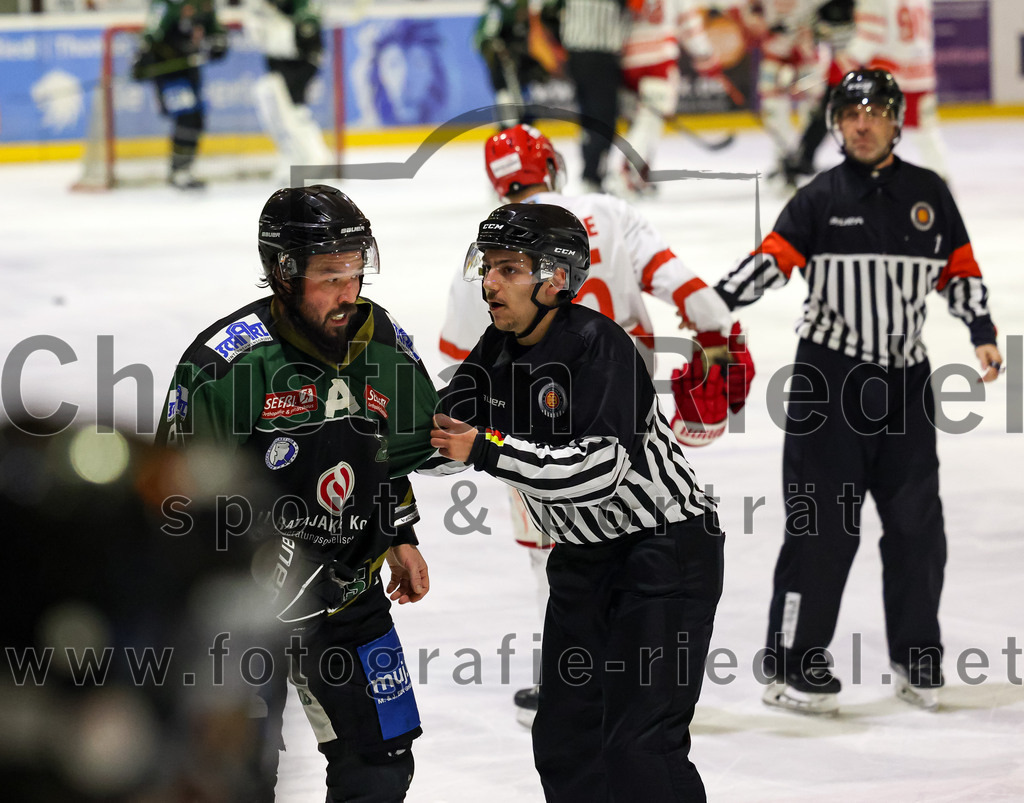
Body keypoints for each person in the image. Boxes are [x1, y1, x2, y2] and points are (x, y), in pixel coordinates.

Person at [438, 122, 754, 725]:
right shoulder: (607, 211)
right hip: (630, 398)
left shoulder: (484, 258)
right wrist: (720, 341)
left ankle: (575, 675)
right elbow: (690, 291)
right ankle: (626, 667)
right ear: (552, 167)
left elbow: (456, 367)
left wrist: (456, 439)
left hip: (527, 415)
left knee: (548, 543)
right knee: (637, 510)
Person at [714, 69, 1003, 715]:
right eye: (851, 114)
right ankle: (794, 662)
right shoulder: (819, 195)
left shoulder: (930, 194)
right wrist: (712, 301)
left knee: (916, 526)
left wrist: (980, 328)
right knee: (823, 527)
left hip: (904, 385)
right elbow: (772, 260)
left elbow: (960, 270)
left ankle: (916, 653)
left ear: (897, 120)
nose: (863, 123)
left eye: (875, 112)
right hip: (830, 382)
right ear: (836, 124)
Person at [429, 202, 728, 801]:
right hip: (583, 558)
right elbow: (445, 434)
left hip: (662, 554)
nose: (489, 284)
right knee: (567, 739)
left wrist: (484, 450)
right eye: (487, 267)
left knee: (640, 748)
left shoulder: (601, 348)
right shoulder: (496, 345)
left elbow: (597, 472)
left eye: (508, 269)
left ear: (556, 278)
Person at [156, 185, 440, 800]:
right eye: (331, 276)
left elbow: (387, 450)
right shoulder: (225, 366)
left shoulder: (380, 340)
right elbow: (175, 505)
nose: (350, 293)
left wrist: (400, 533)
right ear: (282, 273)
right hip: (242, 615)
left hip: (349, 593)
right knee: (235, 775)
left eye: (357, 272)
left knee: (383, 759)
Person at [607, 0, 724, 198]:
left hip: (628, 62)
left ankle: (640, 174)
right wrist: (704, 55)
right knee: (649, 122)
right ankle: (625, 174)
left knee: (638, 122)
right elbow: (689, 23)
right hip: (659, 60)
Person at [844, 0, 949, 179]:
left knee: (876, 135)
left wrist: (845, 61)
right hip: (921, 75)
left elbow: (870, 37)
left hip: (886, 78)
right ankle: (941, 181)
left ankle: (873, 185)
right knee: (927, 135)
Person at [131, 0, 229, 189]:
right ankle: (179, 171)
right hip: (168, 72)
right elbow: (151, 35)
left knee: (197, 118)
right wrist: (144, 58)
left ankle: (184, 169)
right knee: (187, 116)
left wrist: (218, 43)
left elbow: (215, 29)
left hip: (189, 69)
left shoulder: (205, 3)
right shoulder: (166, 4)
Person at [245, 0, 334, 184]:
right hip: (281, 62)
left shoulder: (303, 8)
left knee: (293, 110)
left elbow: (304, 36)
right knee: (276, 106)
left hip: (301, 62)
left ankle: (316, 157)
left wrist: (277, 22)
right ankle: (293, 156)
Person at [549, 0, 629, 192]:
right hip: (600, 57)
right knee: (604, 121)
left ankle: (591, 173)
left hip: (577, 58)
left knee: (590, 118)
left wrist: (559, 44)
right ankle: (592, 174)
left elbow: (548, 13)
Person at [474, 0, 564, 129]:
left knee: (524, 104)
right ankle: (508, 132)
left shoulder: (524, 9)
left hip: (519, 65)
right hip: (504, 65)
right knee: (507, 100)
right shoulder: (498, 9)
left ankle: (522, 129)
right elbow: (485, 39)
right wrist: (498, 51)